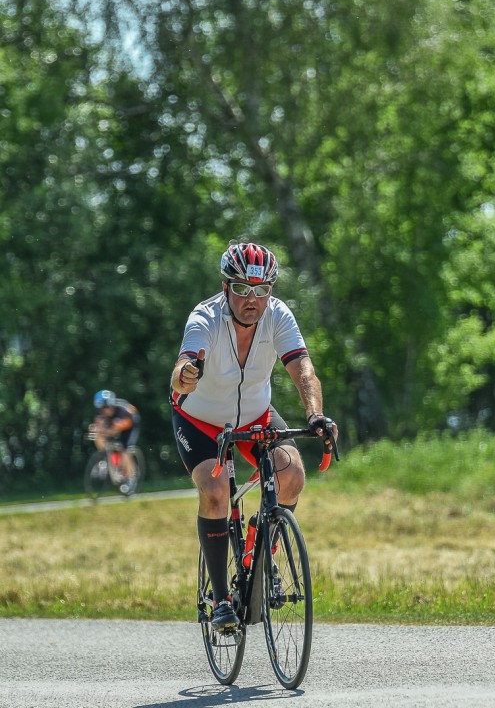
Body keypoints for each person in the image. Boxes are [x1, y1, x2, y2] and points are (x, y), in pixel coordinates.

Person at [169, 241, 338, 632]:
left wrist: (314, 414)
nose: (252, 299)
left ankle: (259, 552)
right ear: (226, 287)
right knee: (215, 491)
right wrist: (186, 375)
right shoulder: (205, 318)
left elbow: (304, 370)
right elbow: (181, 368)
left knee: (291, 474)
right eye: (243, 288)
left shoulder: (278, 315)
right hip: (200, 420)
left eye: (262, 290)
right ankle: (220, 600)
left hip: (255, 415)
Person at [90, 390, 141, 493]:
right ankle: (104, 457)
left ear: (112, 405)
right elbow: (97, 426)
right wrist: (96, 430)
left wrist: (104, 430)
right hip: (114, 425)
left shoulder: (122, 411)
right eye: (101, 408)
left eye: (106, 407)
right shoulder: (101, 412)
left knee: (125, 450)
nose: (104, 411)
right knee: (97, 435)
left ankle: (131, 478)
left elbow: (116, 430)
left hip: (130, 426)